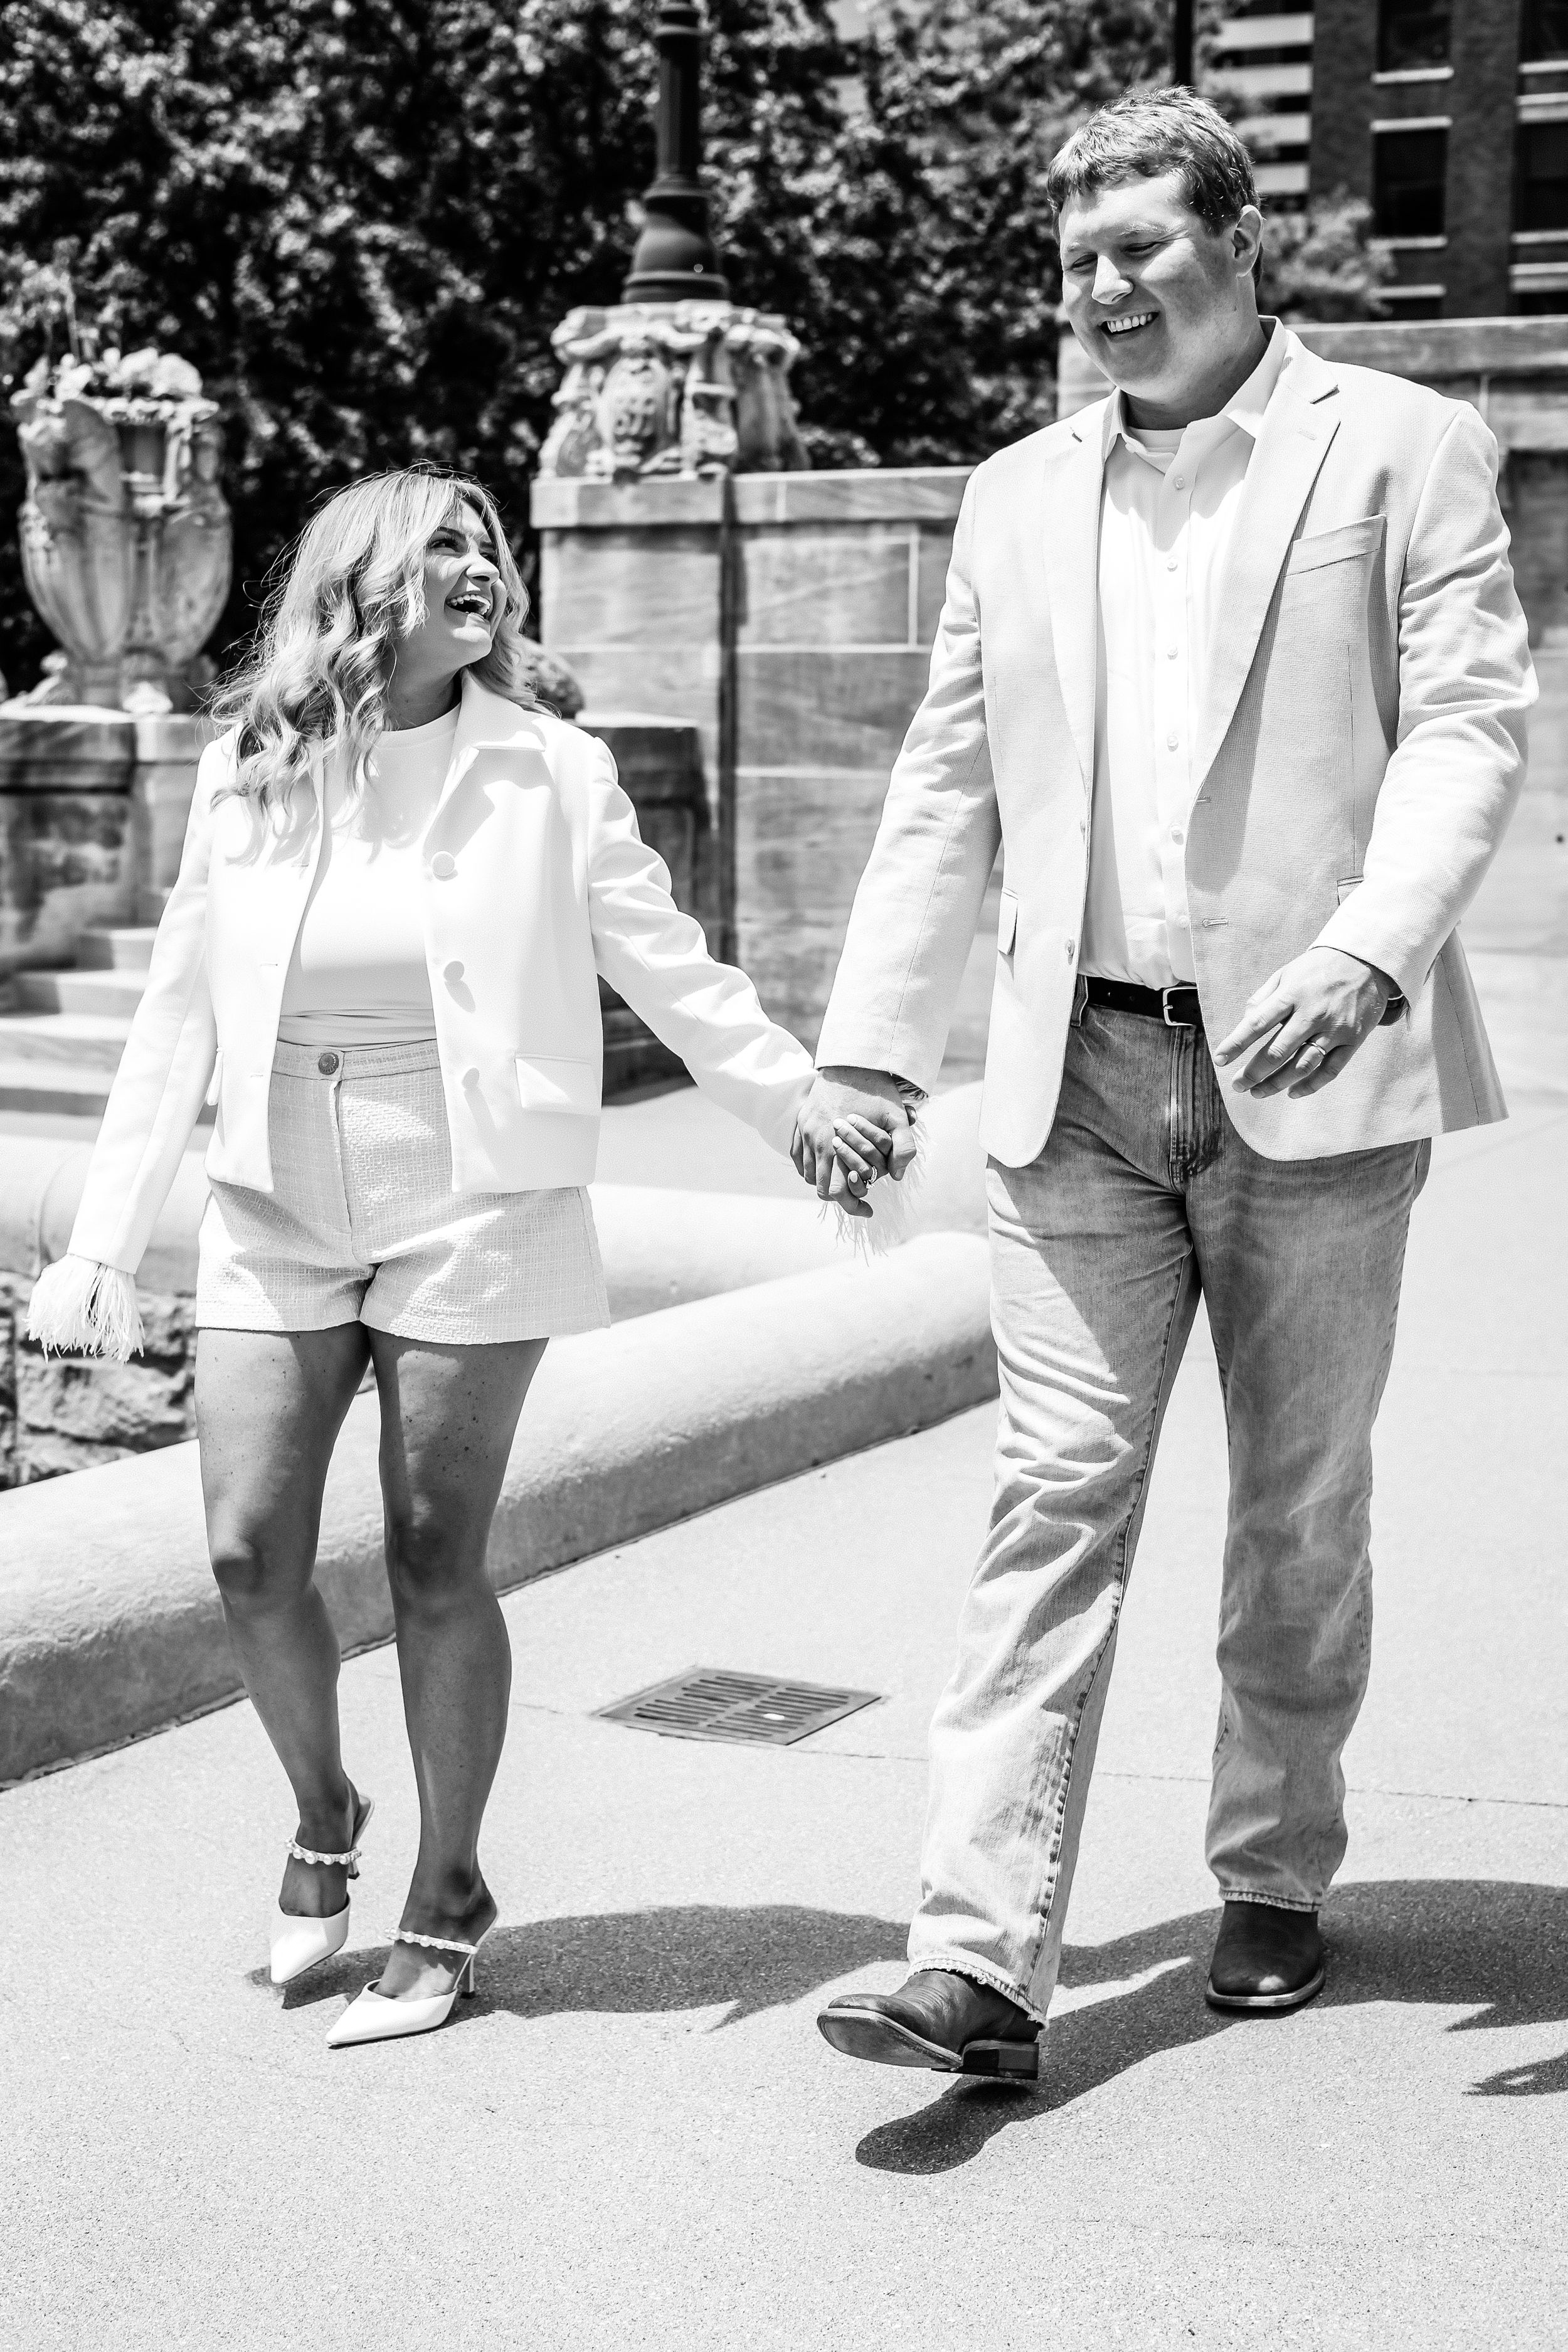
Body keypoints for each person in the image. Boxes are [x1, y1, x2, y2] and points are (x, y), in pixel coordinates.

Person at [797, 87, 1534, 2080]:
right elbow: (943, 784)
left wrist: (1369, 942)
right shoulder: (1014, 491)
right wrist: (869, 1045)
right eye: (1075, 263)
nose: (1103, 290)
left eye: (1136, 248)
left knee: (1296, 1502)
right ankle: (973, 1952)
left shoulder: (1399, 445)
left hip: (1319, 1067)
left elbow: (1468, 728)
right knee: (1050, 1492)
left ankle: (1273, 1861)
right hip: (1080, 1078)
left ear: (1235, 247)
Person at [30, 469, 822, 2049]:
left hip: (470, 1186)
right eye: (441, 547)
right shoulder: (253, 764)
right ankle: (326, 1812)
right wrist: (103, 1244)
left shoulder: (548, 766)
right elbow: (179, 1010)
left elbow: (668, 967)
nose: (480, 568)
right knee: (251, 1549)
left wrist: (800, 1109)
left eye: (487, 545)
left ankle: (446, 1889)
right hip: (275, 1190)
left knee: (426, 1555)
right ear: (360, 587)